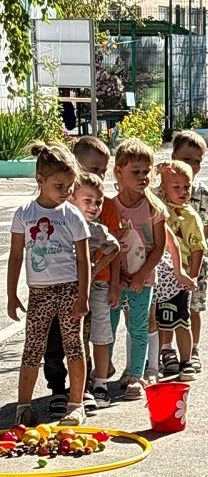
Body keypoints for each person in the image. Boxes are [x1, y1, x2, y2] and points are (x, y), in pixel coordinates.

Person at [7, 142, 90, 427]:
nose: (66, 191)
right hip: (39, 292)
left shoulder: (72, 215)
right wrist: (11, 295)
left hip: (69, 289)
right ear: (40, 180)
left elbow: (83, 259)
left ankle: (76, 405)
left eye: (70, 185)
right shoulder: (24, 214)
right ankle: (23, 407)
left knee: (74, 345)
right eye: (59, 185)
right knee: (32, 347)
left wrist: (83, 296)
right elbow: (16, 256)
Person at [43, 135, 111, 418]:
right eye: (94, 169)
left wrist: (93, 271)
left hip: (78, 292)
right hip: (49, 289)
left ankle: (81, 391)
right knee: (52, 343)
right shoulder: (51, 210)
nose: (99, 176)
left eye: (103, 171)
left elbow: (111, 246)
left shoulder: (89, 214)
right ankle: (58, 390)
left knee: (80, 341)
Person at [104, 138, 167, 400]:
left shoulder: (154, 207)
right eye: (136, 172)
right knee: (107, 325)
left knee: (138, 326)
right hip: (114, 280)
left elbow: (160, 246)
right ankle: (102, 371)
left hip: (143, 279)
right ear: (119, 172)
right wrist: (115, 279)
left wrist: (142, 275)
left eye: (147, 171)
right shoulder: (109, 207)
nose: (143, 177)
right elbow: (106, 244)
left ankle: (136, 375)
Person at [69, 173, 120, 408]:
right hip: (69, 290)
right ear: (71, 199)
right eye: (87, 201)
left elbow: (114, 248)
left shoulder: (96, 229)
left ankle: (101, 383)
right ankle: (80, 386)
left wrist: (94, 267)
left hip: (96, 288)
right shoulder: (64, 226)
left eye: (98, 202)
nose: (94, 207)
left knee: (100, 335)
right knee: (77, 338)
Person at [170, 131, 208, 372]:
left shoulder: (203, 193)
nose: (192, 165)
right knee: (167, 306)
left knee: (193, 307)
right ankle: (166, 350)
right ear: (173, 158)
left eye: (197, 161)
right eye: (186, 159)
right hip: (168, 262)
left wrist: (191, 251)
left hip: (196, 262)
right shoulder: (163, 190)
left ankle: (193, 350)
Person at [156, 161, 207, 380]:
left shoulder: (191, 216)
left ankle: (186, 360)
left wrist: (192, 276)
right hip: (160, 274)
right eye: (176, 187)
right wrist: (157, 170)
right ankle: (163, 355)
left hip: (182, 276)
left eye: (187, 187)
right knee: (160, 318)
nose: (182, 191)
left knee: (181, 319)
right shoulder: (159, 207)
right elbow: (146, 192)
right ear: (163, 188)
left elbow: (197, 248)